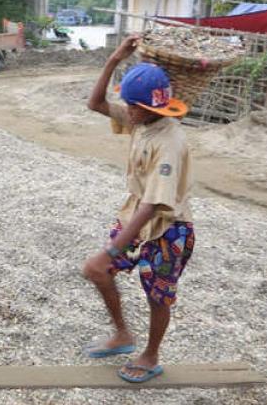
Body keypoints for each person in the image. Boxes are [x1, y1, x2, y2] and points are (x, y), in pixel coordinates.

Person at [82, 35, 195, 383]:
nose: (126, 110)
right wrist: (114, 59)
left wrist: (112, 250)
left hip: (167, 227)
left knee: (158, 295)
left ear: (151, 107)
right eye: (128, 105)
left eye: (132, 106)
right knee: (98, 271)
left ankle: (151, 354)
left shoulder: (169, 141)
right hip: (136, 215)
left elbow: (153, 204)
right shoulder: (140, 120)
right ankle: (122, 334)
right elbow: (95, 103)